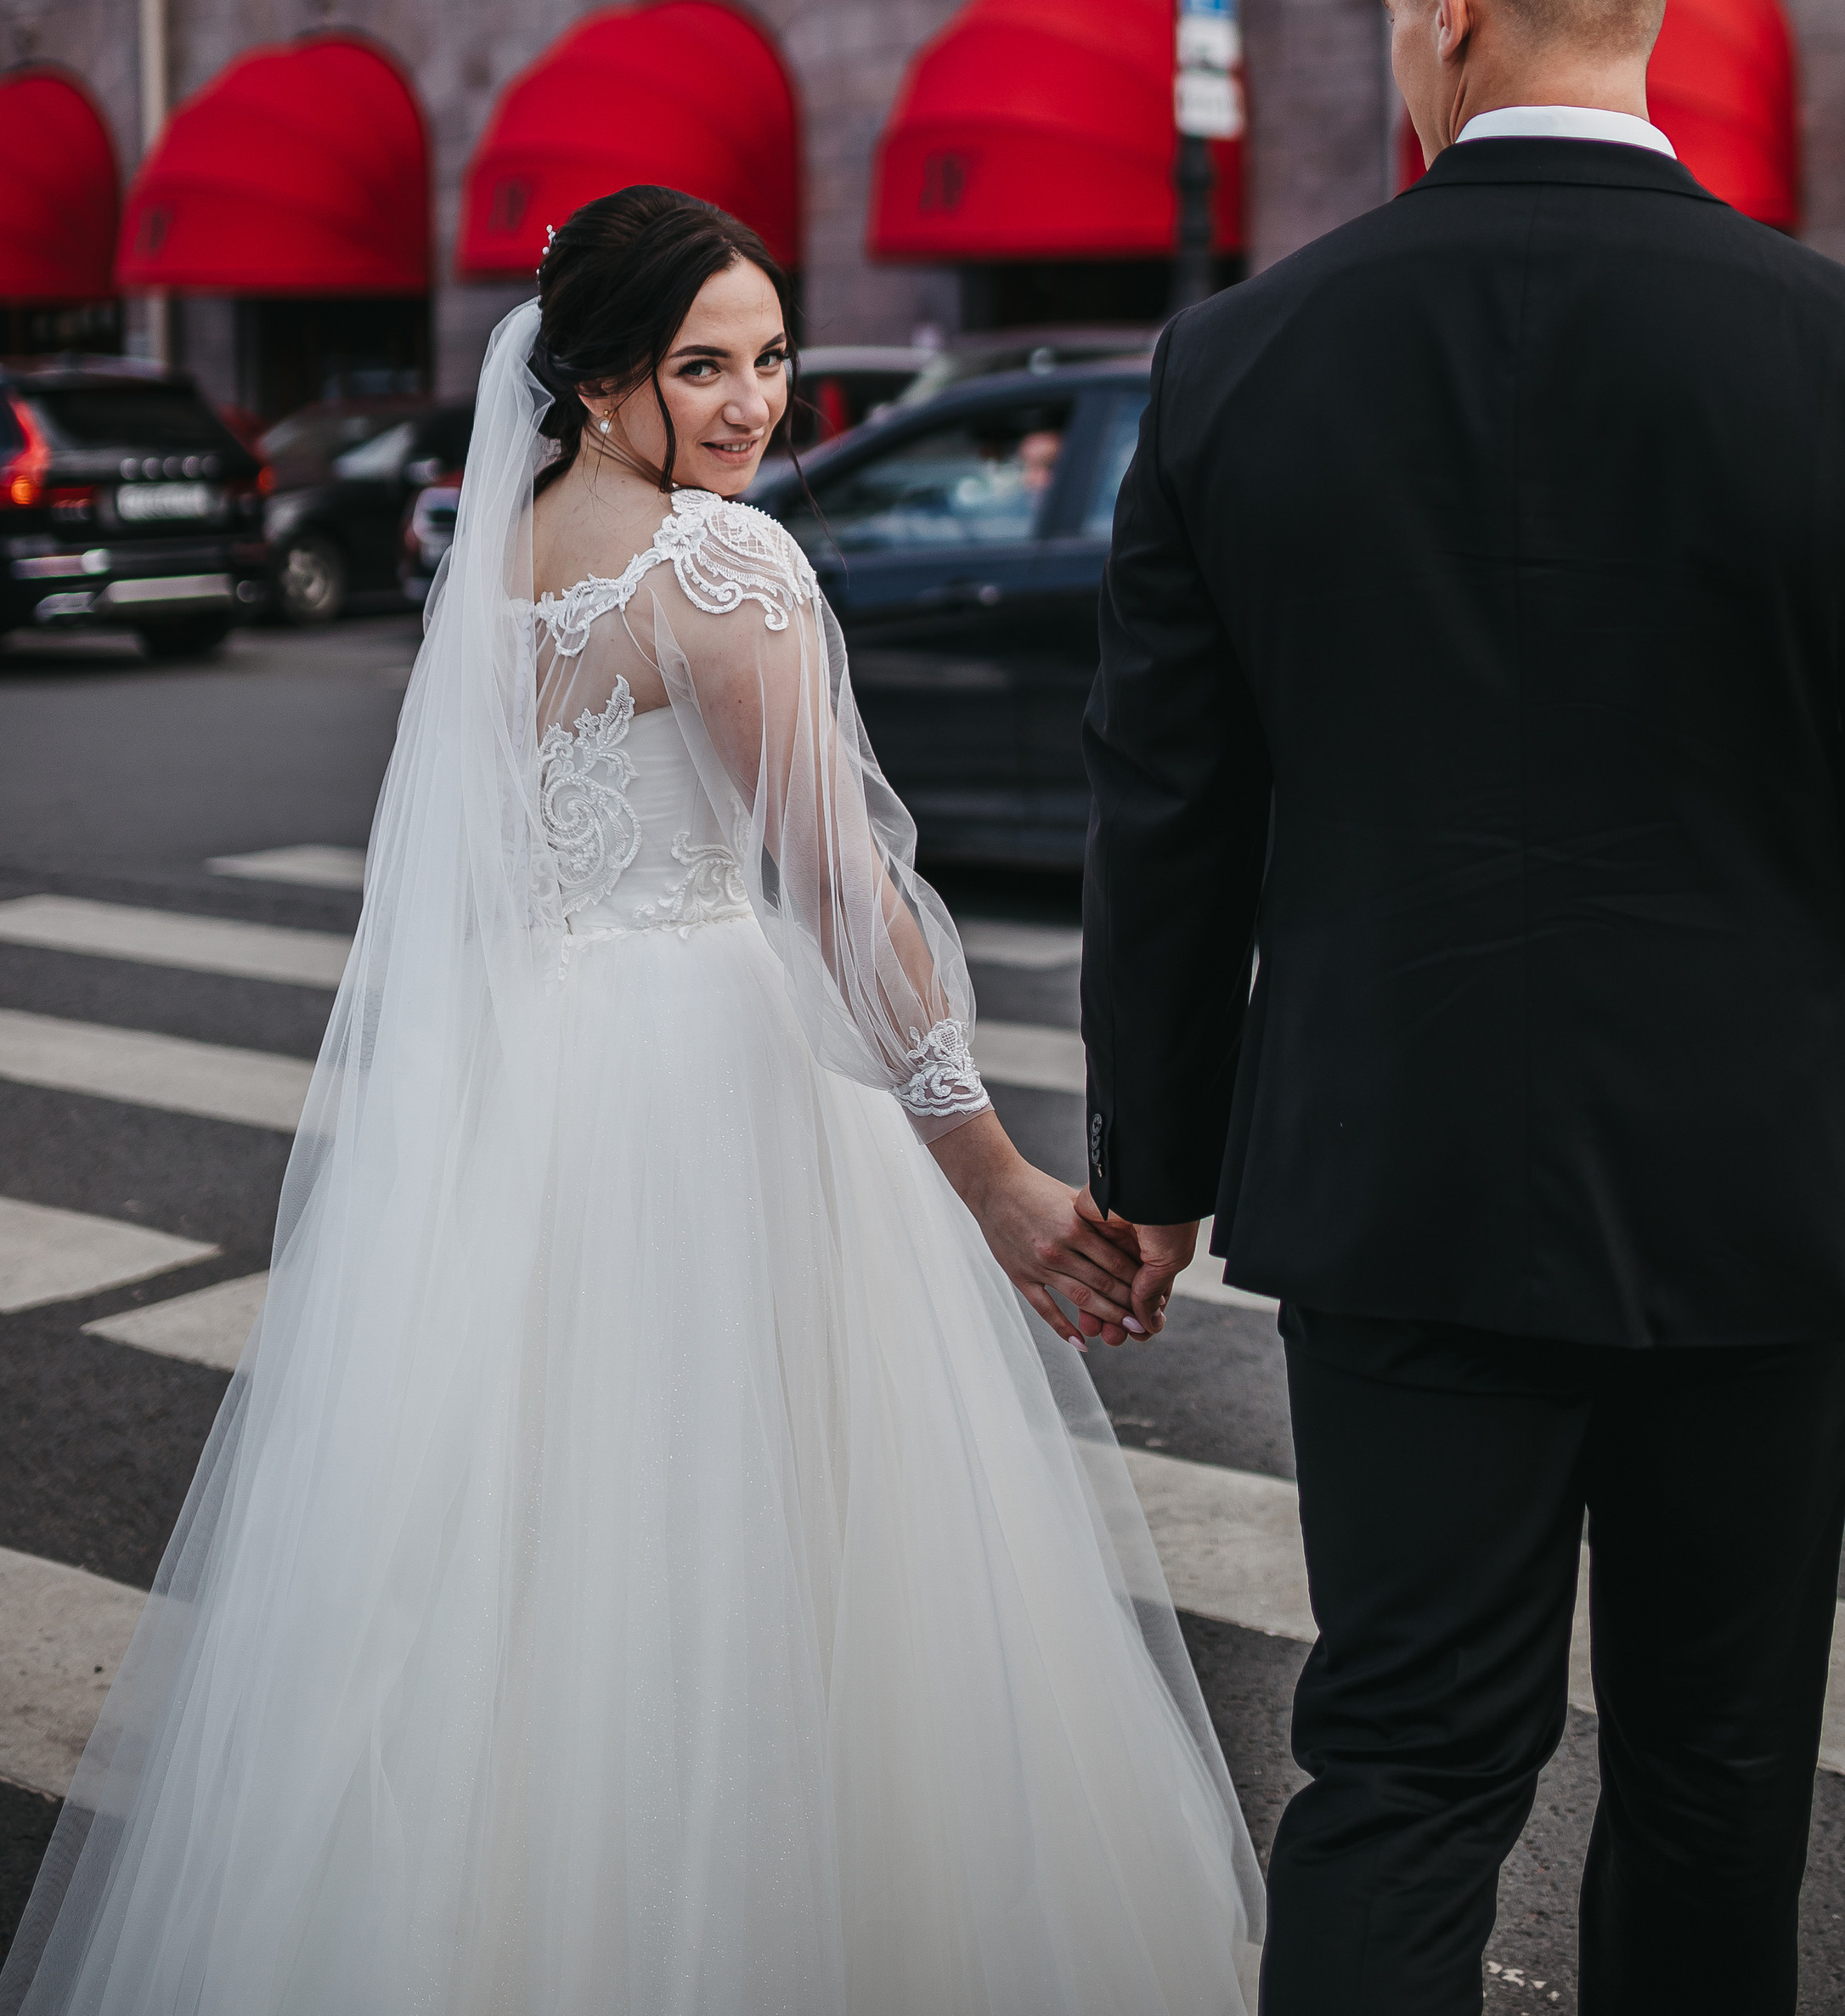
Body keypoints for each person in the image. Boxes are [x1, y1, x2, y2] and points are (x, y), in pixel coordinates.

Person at [1, 186, 1261, 2016]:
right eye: (703, 366)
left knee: (529, 1563)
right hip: (708, 1083)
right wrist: (987, 1175)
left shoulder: (498, 556)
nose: (754, 405)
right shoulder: (723, 569)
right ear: (598, 379)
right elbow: (840, 900)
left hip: (537, 1097)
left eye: (769, 360)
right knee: (771, 1544)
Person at [1080, 0, 1845, 2016]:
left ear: (1446, 2)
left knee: (1405, 1770)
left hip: (1399, 1175)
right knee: (1721, 1778)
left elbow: (1165, 821)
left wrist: (1151, 1165)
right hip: (1760, 1186)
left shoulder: (1239, 362)